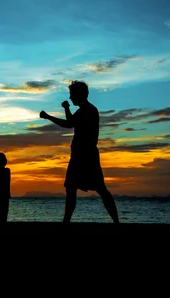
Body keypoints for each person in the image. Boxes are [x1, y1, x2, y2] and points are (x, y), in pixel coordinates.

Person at [39, 80, 119, 224]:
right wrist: (66, 109)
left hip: (86, 156)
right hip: (80, 155)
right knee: (73, 188)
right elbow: (72, 121)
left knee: (99, 189)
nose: (70, 97)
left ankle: (116, 222)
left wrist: (48, 117)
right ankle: (67, 222)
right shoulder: (84, 110)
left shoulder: (88, 110)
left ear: (80, 94)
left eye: (72, 94)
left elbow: (69, 124)